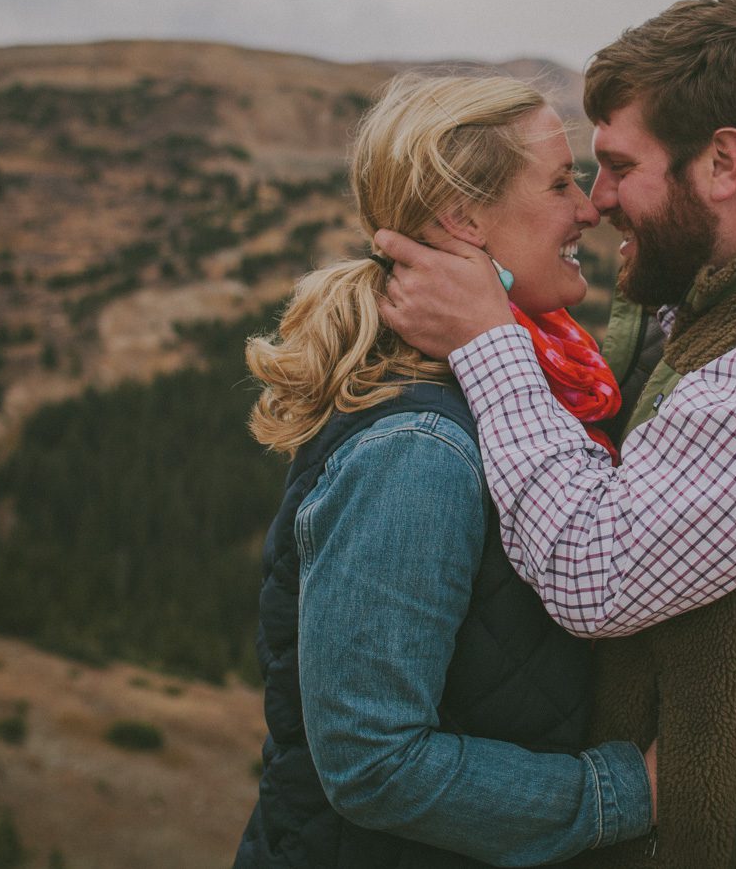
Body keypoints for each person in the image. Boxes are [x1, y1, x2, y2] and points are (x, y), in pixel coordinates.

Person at [377, 0, 736, 869]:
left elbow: (592, 570)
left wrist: (489, 344)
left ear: (722, 162)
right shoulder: (693, 316)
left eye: (616, 165)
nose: (596, 203)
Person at [234, 73, 654, 869]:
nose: (590, 208)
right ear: (462, 220)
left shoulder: (516, 389)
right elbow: (374, 763)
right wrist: (624, 793)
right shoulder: (419, 448)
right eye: (560, 182)